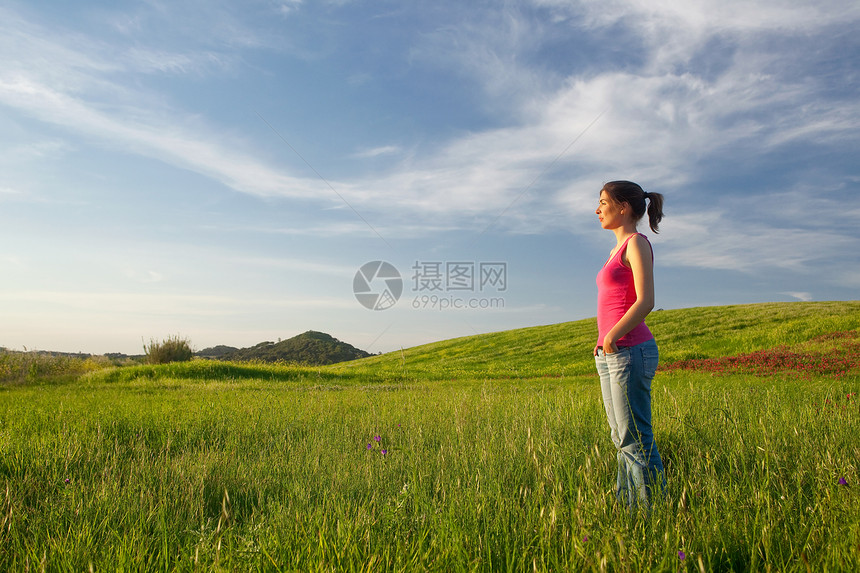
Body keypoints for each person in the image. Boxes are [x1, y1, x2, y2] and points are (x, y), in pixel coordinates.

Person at [593, 180, 666, 509]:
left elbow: (646, 300)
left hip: (630, 350)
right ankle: (629, 510)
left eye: (604, 202)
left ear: (623, 208)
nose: (598, 210)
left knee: (635, 439)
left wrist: (611, 337)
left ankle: (652, 515)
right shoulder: (613, 251)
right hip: (611, 354)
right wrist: (602, 343)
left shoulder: (636, 244)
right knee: (621, 439)